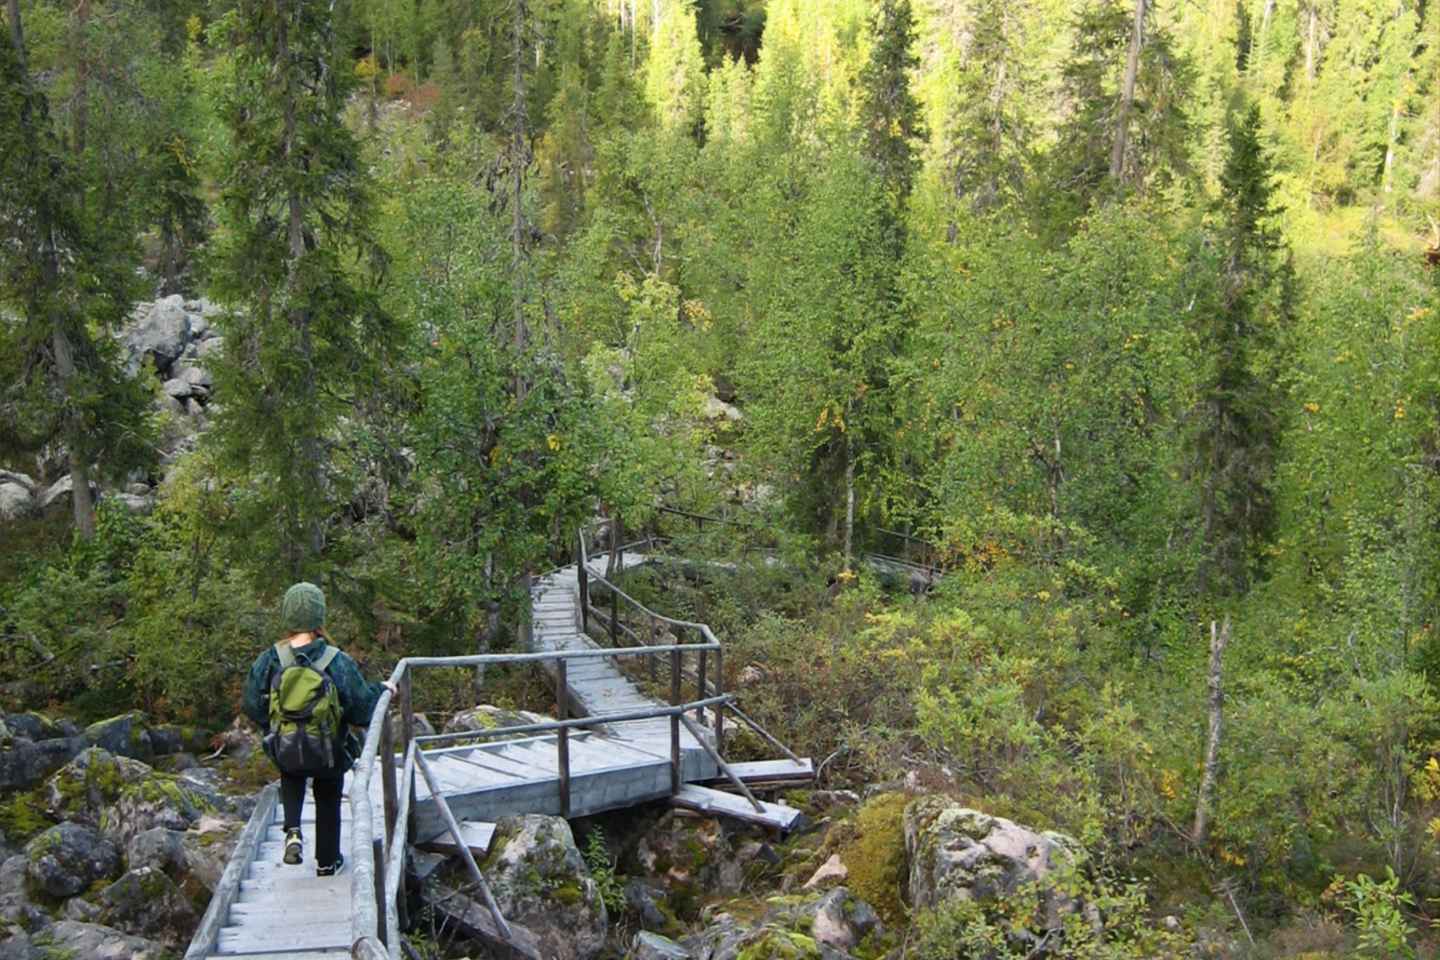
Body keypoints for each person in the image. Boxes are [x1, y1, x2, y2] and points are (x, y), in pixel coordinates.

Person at [242, 582, 395, 876]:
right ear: (319, 617)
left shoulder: (270, 659)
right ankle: (327, 861)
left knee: (290, 771)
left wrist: (275, 725)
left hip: (285, 747)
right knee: (327, 793)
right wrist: (383, 689)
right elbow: (361, 709)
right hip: (328, 749)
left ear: (287, 616)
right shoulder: (336, 660)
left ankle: (293, 830)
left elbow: (251, 703)